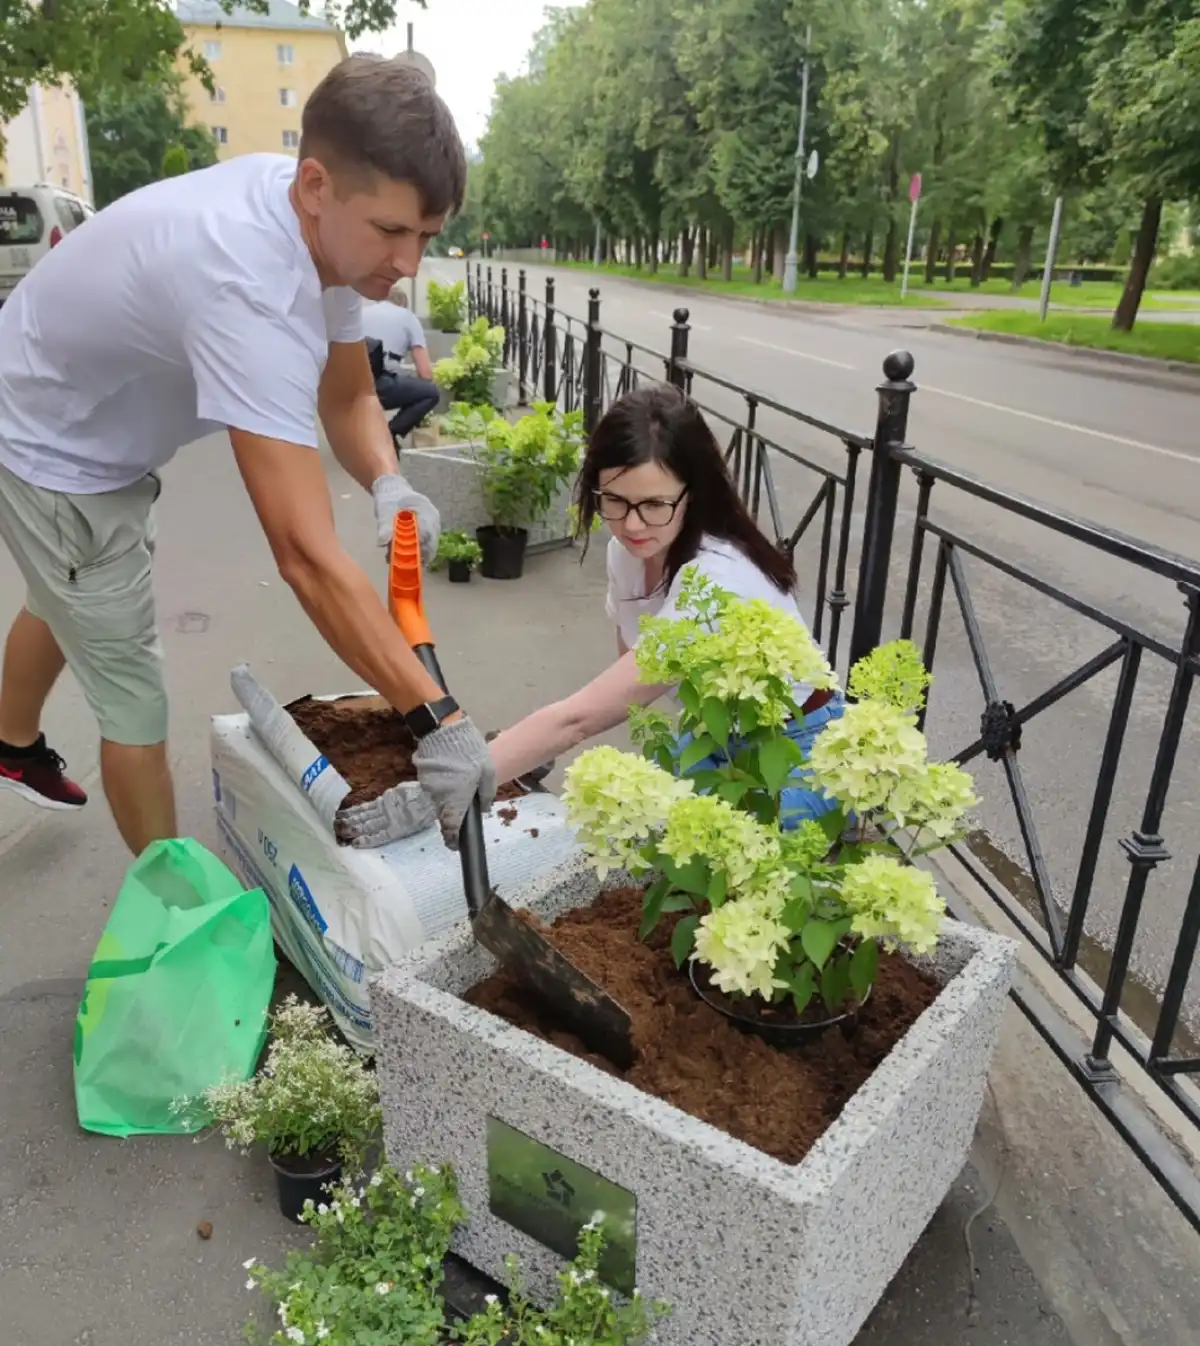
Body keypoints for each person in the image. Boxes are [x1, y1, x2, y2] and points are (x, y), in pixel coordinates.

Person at [0, 56, 493, 854]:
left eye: (427, 236)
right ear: (313, 187)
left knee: (67, 593)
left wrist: (390, 482)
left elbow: (348, 397)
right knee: (133, 699)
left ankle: (9, 741)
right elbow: (302, 554)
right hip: (55, 445)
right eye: (394, 232)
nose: (408, 265)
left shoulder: (328, 233)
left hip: (84, 409)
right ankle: (176, 909)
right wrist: (438, 718)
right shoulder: (249, 285)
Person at [487, 385, 845, 824]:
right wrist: (525, 748)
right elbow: (627, 687)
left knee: (730, 869)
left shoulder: (715, 582)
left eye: (655, 504)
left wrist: (479, 769)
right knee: (643, 840)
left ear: (693, 493)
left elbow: (577, 719)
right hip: (713, 736)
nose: (632, 524)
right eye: (614, 501)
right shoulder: (627, 552)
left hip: (800, 748)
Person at [362, 284, 441, 442]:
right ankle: (390, 433)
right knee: (431, 393)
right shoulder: (408, 317)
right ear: (403, 304)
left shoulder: (362, 313)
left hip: (348, 384)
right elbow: (425, 373)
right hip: (379, 384)